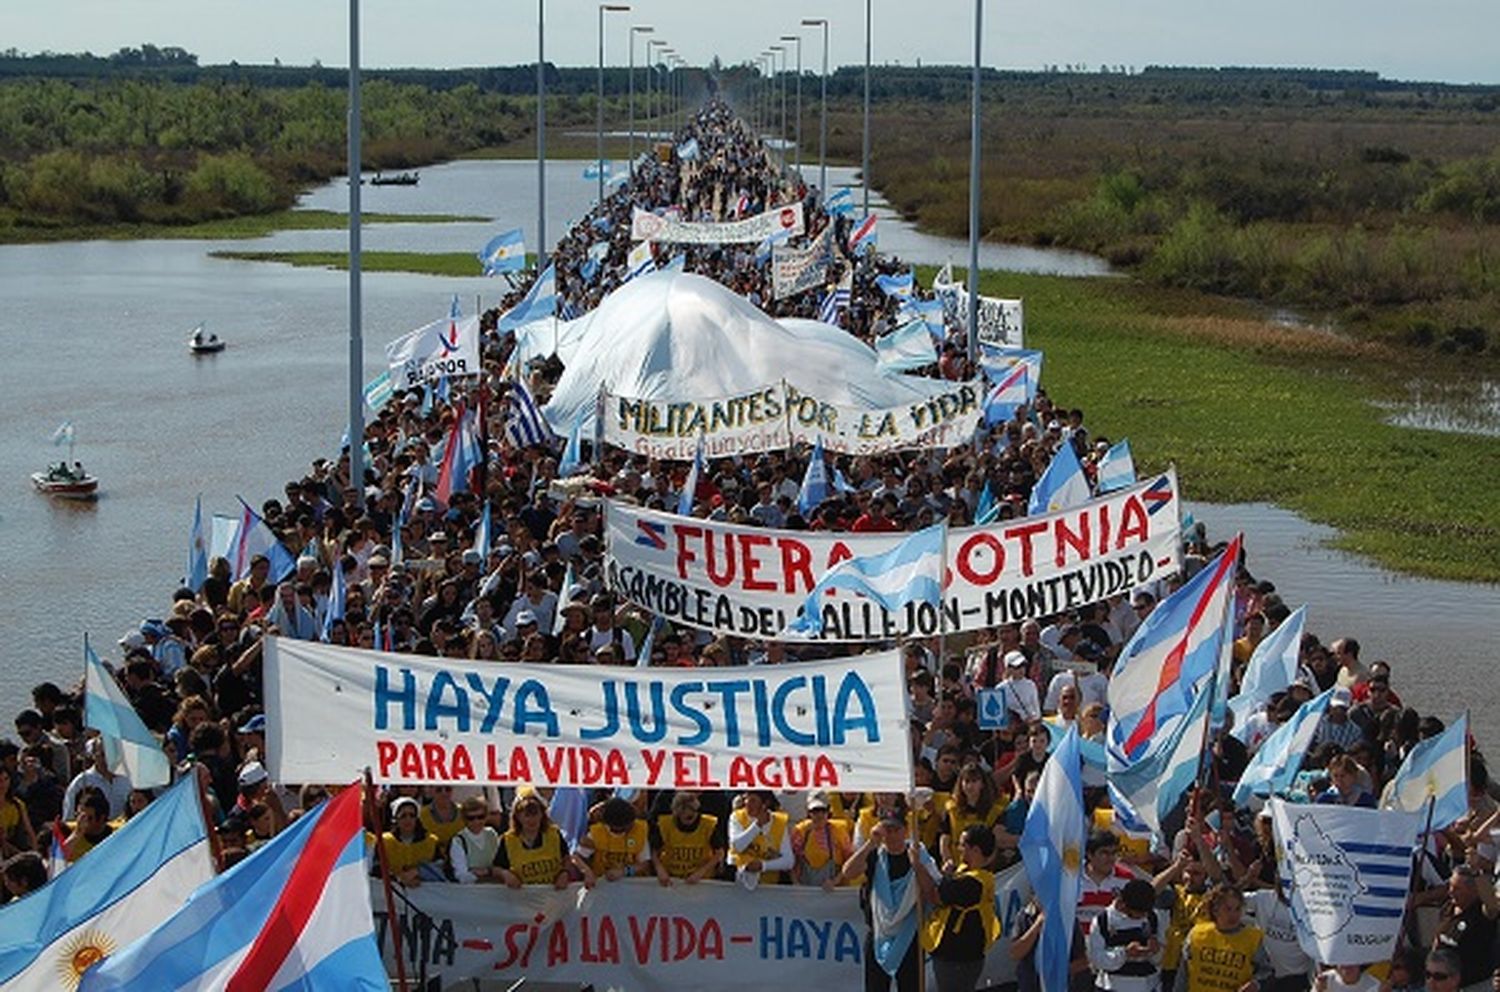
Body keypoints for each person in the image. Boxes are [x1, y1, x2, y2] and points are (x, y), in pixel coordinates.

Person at [922, 824, 1004, 992]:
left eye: (962, 845)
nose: (959, 850)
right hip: (961, 956)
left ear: (975, 849)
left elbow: (935, 895)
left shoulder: (973, 882)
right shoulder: (971, 872)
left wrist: (917, 865)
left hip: (957, 959)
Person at [1174, 884, 1270, 992]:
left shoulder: (1253, 938)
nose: (1233, 915)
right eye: (1228, 909)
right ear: (1215, 910)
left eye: (1237, 909)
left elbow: (1266, 972)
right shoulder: (1197, 934)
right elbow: (1183, 973)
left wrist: (1256, 984)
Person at [1087, 878, 1165, 992]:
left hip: (1148, 985)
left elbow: (1159, 958)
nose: (1142, 917)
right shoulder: (1103, 921)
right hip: (1113, 986)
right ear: (1123, 904)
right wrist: (1125, 953)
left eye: (1145, 913)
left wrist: (1155, 950)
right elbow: (1097, 959)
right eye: (1137, 914)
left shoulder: (1154, 917)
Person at [1433, 863, 1499, 992]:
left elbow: (1492, 907)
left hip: (1473, 985)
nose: (1451, 892)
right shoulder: (1448, 907)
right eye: (1450, 886)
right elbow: (1438, 938)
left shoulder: (1481, 914)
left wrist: (1476, 872)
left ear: (1473, 891)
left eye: (1457, 888)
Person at [494, 788, 570, 889]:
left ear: (542, 815)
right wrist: (505, 874)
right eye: (527, 815)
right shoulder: (508, 840)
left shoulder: (554, 834)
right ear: (518, 817)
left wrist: (564, 872)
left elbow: (566, 858)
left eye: (535, 814)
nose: (531, 820)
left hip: (553, 898)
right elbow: (496, 868)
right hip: (522, 899)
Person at [572, 796, 651, 886]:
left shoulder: (639, 831)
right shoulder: (596, 834)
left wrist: (624, 871)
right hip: (603, 885)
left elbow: (644, 864)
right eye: (616, 829)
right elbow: (576, 857)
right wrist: (587, 872)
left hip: (632, 885)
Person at [651, 791, 723, 885]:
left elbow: (719, 853)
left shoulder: (709, 824)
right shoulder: (664, 824)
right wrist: (660, 869)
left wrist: (701, 872)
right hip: (672, 877)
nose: (689, 821)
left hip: (701, 880)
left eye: (692, 816)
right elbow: (654, 851)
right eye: (685, 818)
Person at [728, 789, 793, 889]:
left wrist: (763, 866)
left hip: (769, 886)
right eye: (746, 799)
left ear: (765, 803)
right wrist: (757, 825)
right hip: (740, 883)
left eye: (753, 800)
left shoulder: (779, 822)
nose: (747, 803)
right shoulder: (737, 817)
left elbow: (789, 861)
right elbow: (737, 846)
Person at [792, 791, 853, 888]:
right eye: (815, 811)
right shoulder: (800, 831)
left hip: (834, 890)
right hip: (805, 888)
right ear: (808, 812)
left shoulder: (839, 830)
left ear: (829, 811)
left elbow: (850, 860)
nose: (819, 815)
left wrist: (835, 881)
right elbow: (794, 861)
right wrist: (796, 884)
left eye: (823, 810)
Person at [377, 796, 443, 886]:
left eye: (412, 815)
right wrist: (398, 878)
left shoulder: (431, 841)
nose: (408, 819)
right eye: (403, 816)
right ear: (395, 819)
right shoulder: (384, 841)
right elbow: (376, 870)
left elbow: (441, 869)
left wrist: (419, 872)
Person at [449, 795, 502, 884]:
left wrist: (485, 872)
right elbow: (462, 875)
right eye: (471, 818)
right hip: (471, 893)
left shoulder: (492, 834)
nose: (476, 822)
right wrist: (490, 874)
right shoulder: (458, 841)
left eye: (480, 817)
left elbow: (500, 865)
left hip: (494, 890)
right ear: (465, 819)